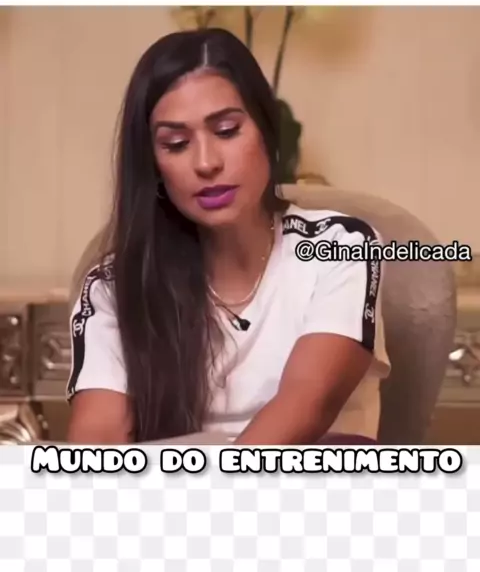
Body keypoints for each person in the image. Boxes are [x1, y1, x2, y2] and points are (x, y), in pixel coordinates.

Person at [66, 27, 390, 445]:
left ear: (266, 131)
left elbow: (307, 405)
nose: (206, 163)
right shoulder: (113, 287)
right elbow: (96, 448)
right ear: (153, 165)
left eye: (226, 131)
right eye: (176, 143)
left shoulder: (341, 246)